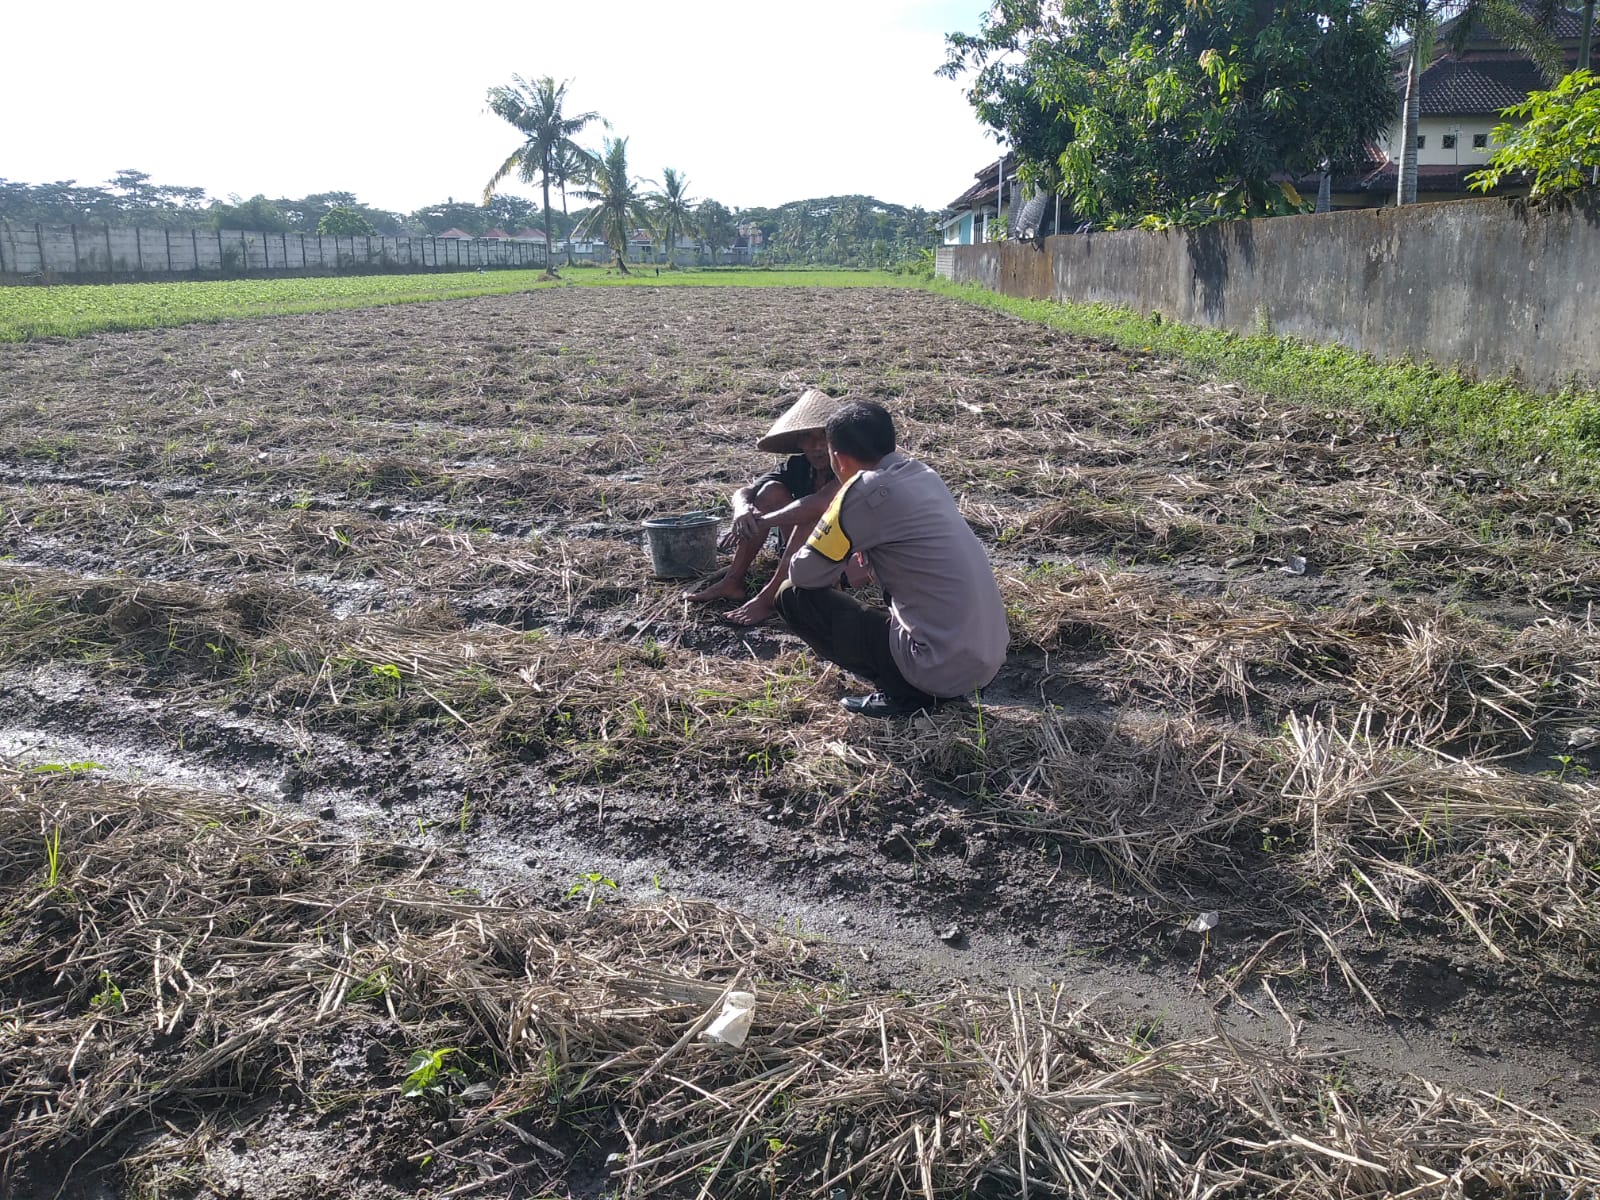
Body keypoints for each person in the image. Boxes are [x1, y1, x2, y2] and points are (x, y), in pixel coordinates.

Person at [776, 400, 1009, 718]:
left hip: (938, 667)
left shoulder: (863, 491)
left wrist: (834, 553)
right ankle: (921, 683)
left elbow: (804, 574)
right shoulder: (923, 474)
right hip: (986, 659)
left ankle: (904, 693)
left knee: (791, 595)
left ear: (839, 458)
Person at [685, 389, 841, 625]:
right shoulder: (799, 466)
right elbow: (746, 491)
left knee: (812, 516)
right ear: (799, 442)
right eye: (808, 436)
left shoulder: (847, 467)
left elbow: (817, 505)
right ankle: (733, 580)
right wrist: (742, 511)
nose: (818, 445)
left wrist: (764, 521)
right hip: (797, 550)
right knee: (771, 491)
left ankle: (770, 598)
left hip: (836, 555)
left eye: (824, 436)